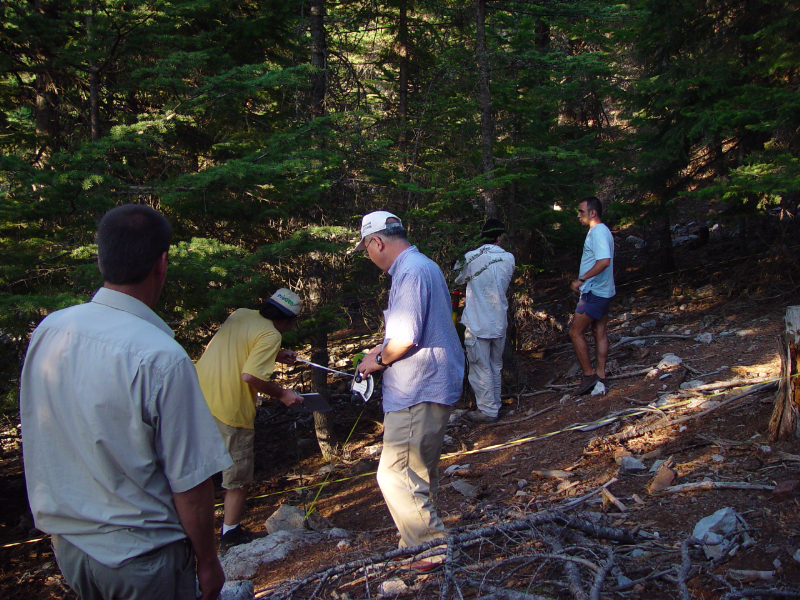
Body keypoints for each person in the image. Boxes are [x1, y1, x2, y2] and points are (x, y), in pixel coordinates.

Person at [20, 204, 233, 600]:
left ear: (102, 259)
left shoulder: (49, 331)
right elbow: (191, 482)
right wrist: (207, 561)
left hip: (71, 547)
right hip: (144, 558)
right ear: (161, 265)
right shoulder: (161, 357)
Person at [355, 211, 464, 571]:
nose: (369, 256)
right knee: (418, 472)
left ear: (377, 242)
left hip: (418, 388)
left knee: (395, 474)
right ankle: (413, 543)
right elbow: (406, 330)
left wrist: (377, 362)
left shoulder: (411, 272)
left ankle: (430, 548)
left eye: (366, 248)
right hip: (430, 383)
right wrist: (377, 350)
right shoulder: (419, 266)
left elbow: (404, 339)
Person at [195, 289, 304, 549]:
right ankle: (230, 535)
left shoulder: (241, 314)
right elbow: (249, 377)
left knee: (195, 473)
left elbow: (238, 345)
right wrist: (282, 394)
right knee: (237, 477)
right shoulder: (272, 334)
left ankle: (192, 536)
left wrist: (275, 354)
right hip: (230, 408)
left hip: (197, 397)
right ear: (289, 321)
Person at [455, 218, 516, 423]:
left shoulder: (472, 257)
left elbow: (457, 278)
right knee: (495, 365)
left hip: (477, 321)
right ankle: (494, 405)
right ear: (499, 238)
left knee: (480, 367)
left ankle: (488, 410)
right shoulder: (508, 258)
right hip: (498, 320)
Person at [569, 196, 616, 395]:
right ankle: (601, 376)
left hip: (594, 293)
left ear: (593, 213)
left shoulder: (598, 232)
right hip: (604, 291)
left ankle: (589, 376)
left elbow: (604, 261)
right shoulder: (600, 231)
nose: (578, 215)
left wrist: (582, 279)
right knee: (599, 332)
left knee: (575, 331)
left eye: (581, 211)